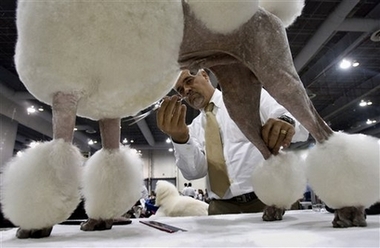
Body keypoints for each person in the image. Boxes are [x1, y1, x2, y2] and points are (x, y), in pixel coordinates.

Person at [157, 69, 309, 215]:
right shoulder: (193, 129)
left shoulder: (247, 97)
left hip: (270, 199)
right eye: (181, 90)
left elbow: (298, 123)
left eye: (189, 81)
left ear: (205, 75)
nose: (186, 90)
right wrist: (181, 139)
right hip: (220, 208)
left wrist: (286, 122)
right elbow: (195, 172)